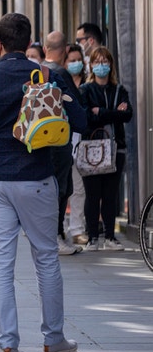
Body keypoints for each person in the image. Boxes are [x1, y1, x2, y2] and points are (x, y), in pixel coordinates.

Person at [0, 13, 85, 352]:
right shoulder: (46, 74)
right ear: (31, 43)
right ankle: (52, 340)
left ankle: (8, 346)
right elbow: (81, 121)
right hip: (38, 179)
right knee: (46, 260)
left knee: (0, 264)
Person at [79, 46, 132, 252]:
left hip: (115, 148)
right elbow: (87, 117)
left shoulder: (119, 90)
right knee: (92, 194)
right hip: (91, 148)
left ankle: (110, 236)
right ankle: (93, 236)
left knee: (110, 194)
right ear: (91, 65)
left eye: (105, 61)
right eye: (97, 62)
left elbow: (127, 114)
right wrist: (111, 113)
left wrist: (100, 111)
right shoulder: (85, 90)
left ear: (111, 64)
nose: (102, 66)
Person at [42, 31, 84, 256]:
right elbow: (76, 107)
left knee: (54, 188)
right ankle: (56, 234)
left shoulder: (38, 71)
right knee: (62, 188)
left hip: (42, 141)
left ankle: (54, 234)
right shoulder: (60, 74)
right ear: (66, 50)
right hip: (60, 141)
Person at [64, 44, 88, 245]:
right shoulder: (61, 80)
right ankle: (61, 228)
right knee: (64, 188)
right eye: (71, 60)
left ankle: (77, 229)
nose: (75, 64)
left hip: (84, 142)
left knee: (79, 188)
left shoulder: (88, 83)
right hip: (65, 141)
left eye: (77, 60)